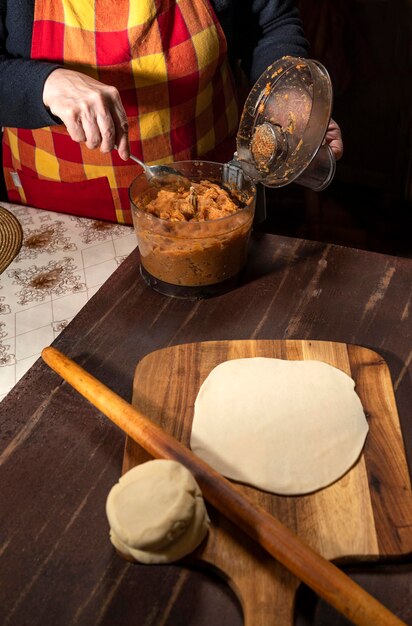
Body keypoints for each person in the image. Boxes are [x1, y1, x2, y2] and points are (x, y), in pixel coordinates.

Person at [0, 0, 342, 224]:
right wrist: (44, 83)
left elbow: (270, 24)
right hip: (63, 220)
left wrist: (289, 106)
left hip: (214, 202)